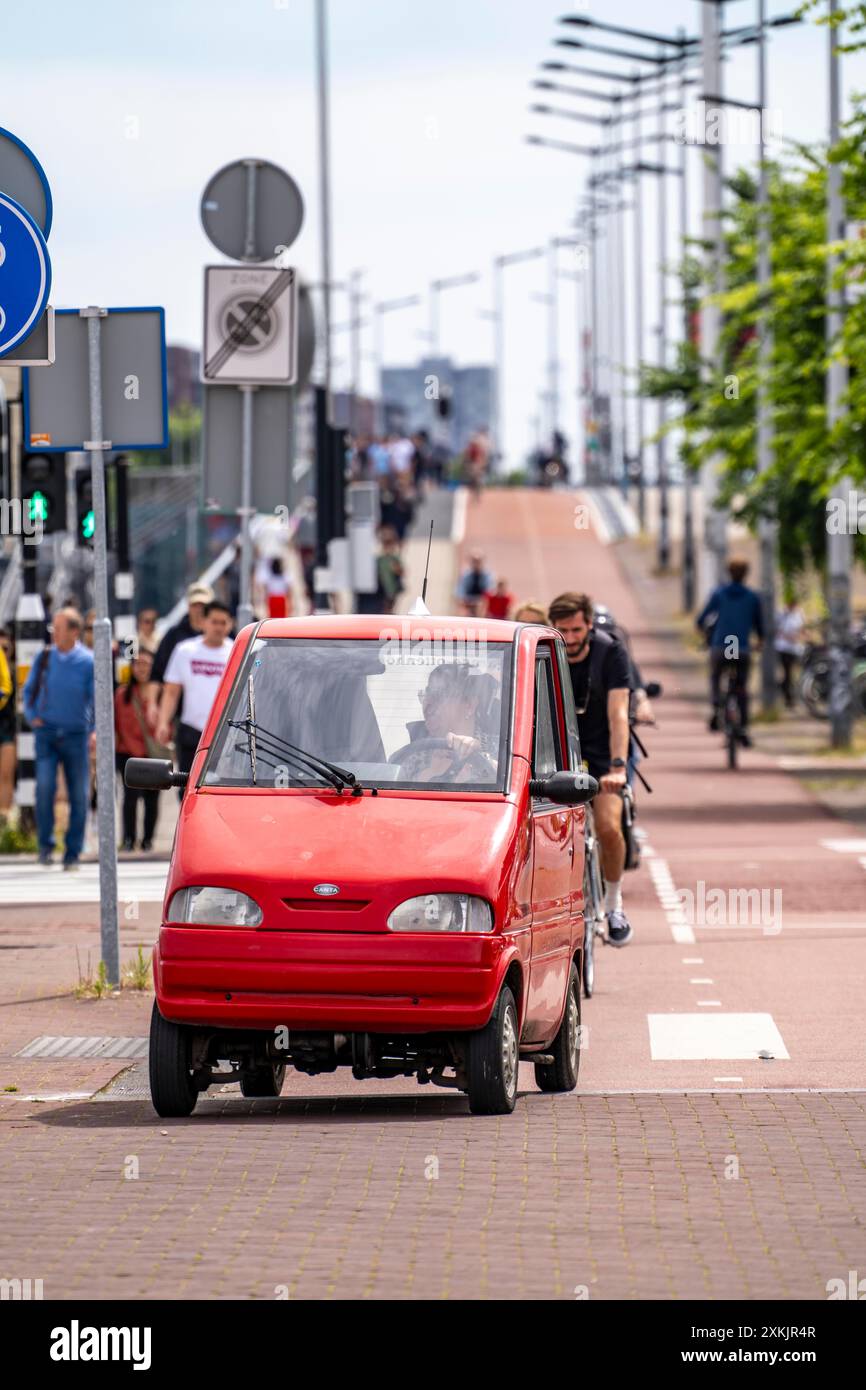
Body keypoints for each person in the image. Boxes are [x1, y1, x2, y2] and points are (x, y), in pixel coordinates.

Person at [549, 591, 633, 947]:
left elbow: (618, 714)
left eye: (576, 630)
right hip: (555, 756)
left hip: (601, 756)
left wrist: (617, 767)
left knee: (609, 827)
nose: (569, 639)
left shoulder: (610, 652)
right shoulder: (545, 650)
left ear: (588, 624)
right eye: (562, 630)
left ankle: (613, 905)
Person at [23, 607, 95, 870]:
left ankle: (72, 853)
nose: (54, 633)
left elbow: (99, 699)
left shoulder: (89, 662)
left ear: (74, 632)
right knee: (44, 789)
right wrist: (33, 717)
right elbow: (28, 690)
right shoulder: (43, 658)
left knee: (79, 794)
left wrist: (96, 730)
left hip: (76, 735)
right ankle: (45, 846)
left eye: (59, 628)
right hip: (47, 734)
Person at [157, 601, 234, 794]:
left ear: (229, 625)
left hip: (225, 733)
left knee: (221, 790)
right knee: (186, 788)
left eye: (223, 622)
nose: (218, 627)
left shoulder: (235, 652)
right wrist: (163, 722)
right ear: (203, 622)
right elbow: (171, 691)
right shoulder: (185, 651)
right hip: (191, 731)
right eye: (214, 621)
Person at [696, 558, 764, 745]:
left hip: (721, 646)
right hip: (741, 648)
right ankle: (742, 726)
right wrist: (760, 641)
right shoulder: (752, 596)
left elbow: (702, 619)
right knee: (741, 686)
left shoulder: (718, 594)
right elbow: (759, 625)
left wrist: (704, 635)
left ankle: (717, 707)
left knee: (716, 676)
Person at [397, 662, 498, 784]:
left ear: (470, 705)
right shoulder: (414, 757)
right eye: (427, 693)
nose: (428, 703)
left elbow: (514, 784)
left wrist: (481, 758)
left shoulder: (497, 749)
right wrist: (426, 777)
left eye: (440, 694)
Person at [114, 650, 161, 851]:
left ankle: (148, 839)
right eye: (139, 664)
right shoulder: (122, 694)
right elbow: (117, 725)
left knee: (152, 799)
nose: (143, 668)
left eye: (147, 664)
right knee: (130, 799)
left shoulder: (160, 693)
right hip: (128, 753)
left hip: (153, 754)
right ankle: (128, 839)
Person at [146, 581, 213, 717]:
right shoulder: (174, 635)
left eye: (203, 605)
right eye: (195, 605)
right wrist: (152, 703)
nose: (199, 609)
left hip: (214, 711)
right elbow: (157, 672)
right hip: (181, 712)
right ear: (188, 606)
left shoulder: (224, 636)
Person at [775, 594, 805, 709]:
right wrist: (789, 637)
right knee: (788, 672)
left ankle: (784, 690)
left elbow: (801, 628)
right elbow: (778, 630)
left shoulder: (798, 614)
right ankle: (788, 697)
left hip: (794, 648)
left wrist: (804, 636)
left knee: (791, 673)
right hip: (783, 647)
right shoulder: (782, 614)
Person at [0, 627, 15, 826]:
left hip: (8, 727)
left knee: (6, 773)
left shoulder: (16, 668)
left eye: (5, 647)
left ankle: (3, 820)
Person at [456, 552, 495, 617]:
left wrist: (480, 602)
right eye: (474, 561)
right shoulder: (465, 575)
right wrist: (467, 601)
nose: (476, 564)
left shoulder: (488, 576)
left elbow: (490, 592)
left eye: (478, 561)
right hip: (468, 605)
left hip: (482, 606)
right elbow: (460, 592)